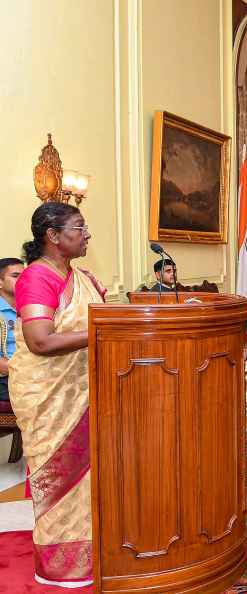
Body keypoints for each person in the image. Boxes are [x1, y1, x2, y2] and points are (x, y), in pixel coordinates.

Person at [8, 202, 107, 587]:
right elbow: (40, 340)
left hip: (86, 389)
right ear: (53, 236)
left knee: (90, 479)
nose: (87, 234)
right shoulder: (37, 278)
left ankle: (96, 551)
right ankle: (63, 566)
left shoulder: (83, 278)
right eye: (79, 227)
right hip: (49, 393)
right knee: (62, 478)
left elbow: (109, 318)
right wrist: (103, 334)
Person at [0, 258, 24, 402]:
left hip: (35, 374)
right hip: (6, 377)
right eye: (15, 276)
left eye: (24, 275)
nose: (23, 280)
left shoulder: (32, 307)